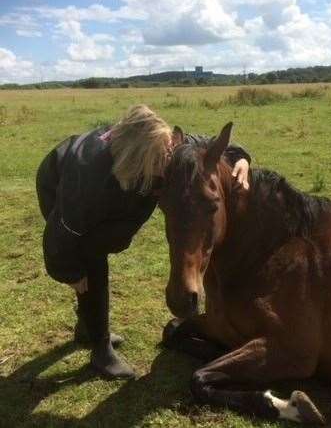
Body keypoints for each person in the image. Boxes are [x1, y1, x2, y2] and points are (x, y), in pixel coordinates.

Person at [36, 104, 251, 379]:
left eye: (169, 150)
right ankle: (101, 352)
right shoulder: (89, 180)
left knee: (91, 261)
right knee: (91, 263)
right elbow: (61, 233)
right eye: (162, 157)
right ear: (137, 158)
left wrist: (240, 157)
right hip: (58, 189)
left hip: (104, 196)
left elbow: (206, 144)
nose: (169, 160)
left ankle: (86, 327)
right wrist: (69, 272)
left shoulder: (162, 149)